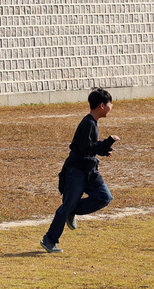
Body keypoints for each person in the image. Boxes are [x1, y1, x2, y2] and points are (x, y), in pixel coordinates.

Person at [40, 88, 117, 253]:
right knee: (67, 206)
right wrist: (107, 142)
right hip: (76, 172)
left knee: (105, 197)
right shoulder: (88, 123)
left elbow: (88, 148)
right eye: (110, 103)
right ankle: (49, 240)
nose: (112, 106)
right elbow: (84, 148)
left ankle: (72, 210)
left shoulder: (92, 123)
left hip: (88, 171)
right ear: (102, 105)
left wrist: (103, 150)